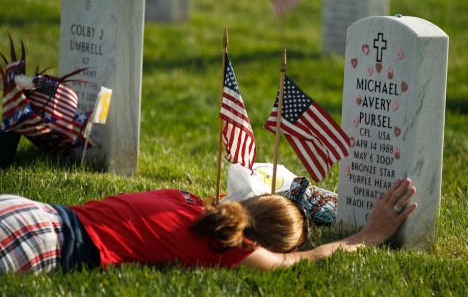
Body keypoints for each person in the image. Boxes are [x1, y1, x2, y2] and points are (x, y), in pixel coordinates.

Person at [0, 178, 416, 274]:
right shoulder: (225, 248)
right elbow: (302, 261)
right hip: (45, 241)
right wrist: (370, 235)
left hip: (28, 208)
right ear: (265, 245)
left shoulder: (179, 198)